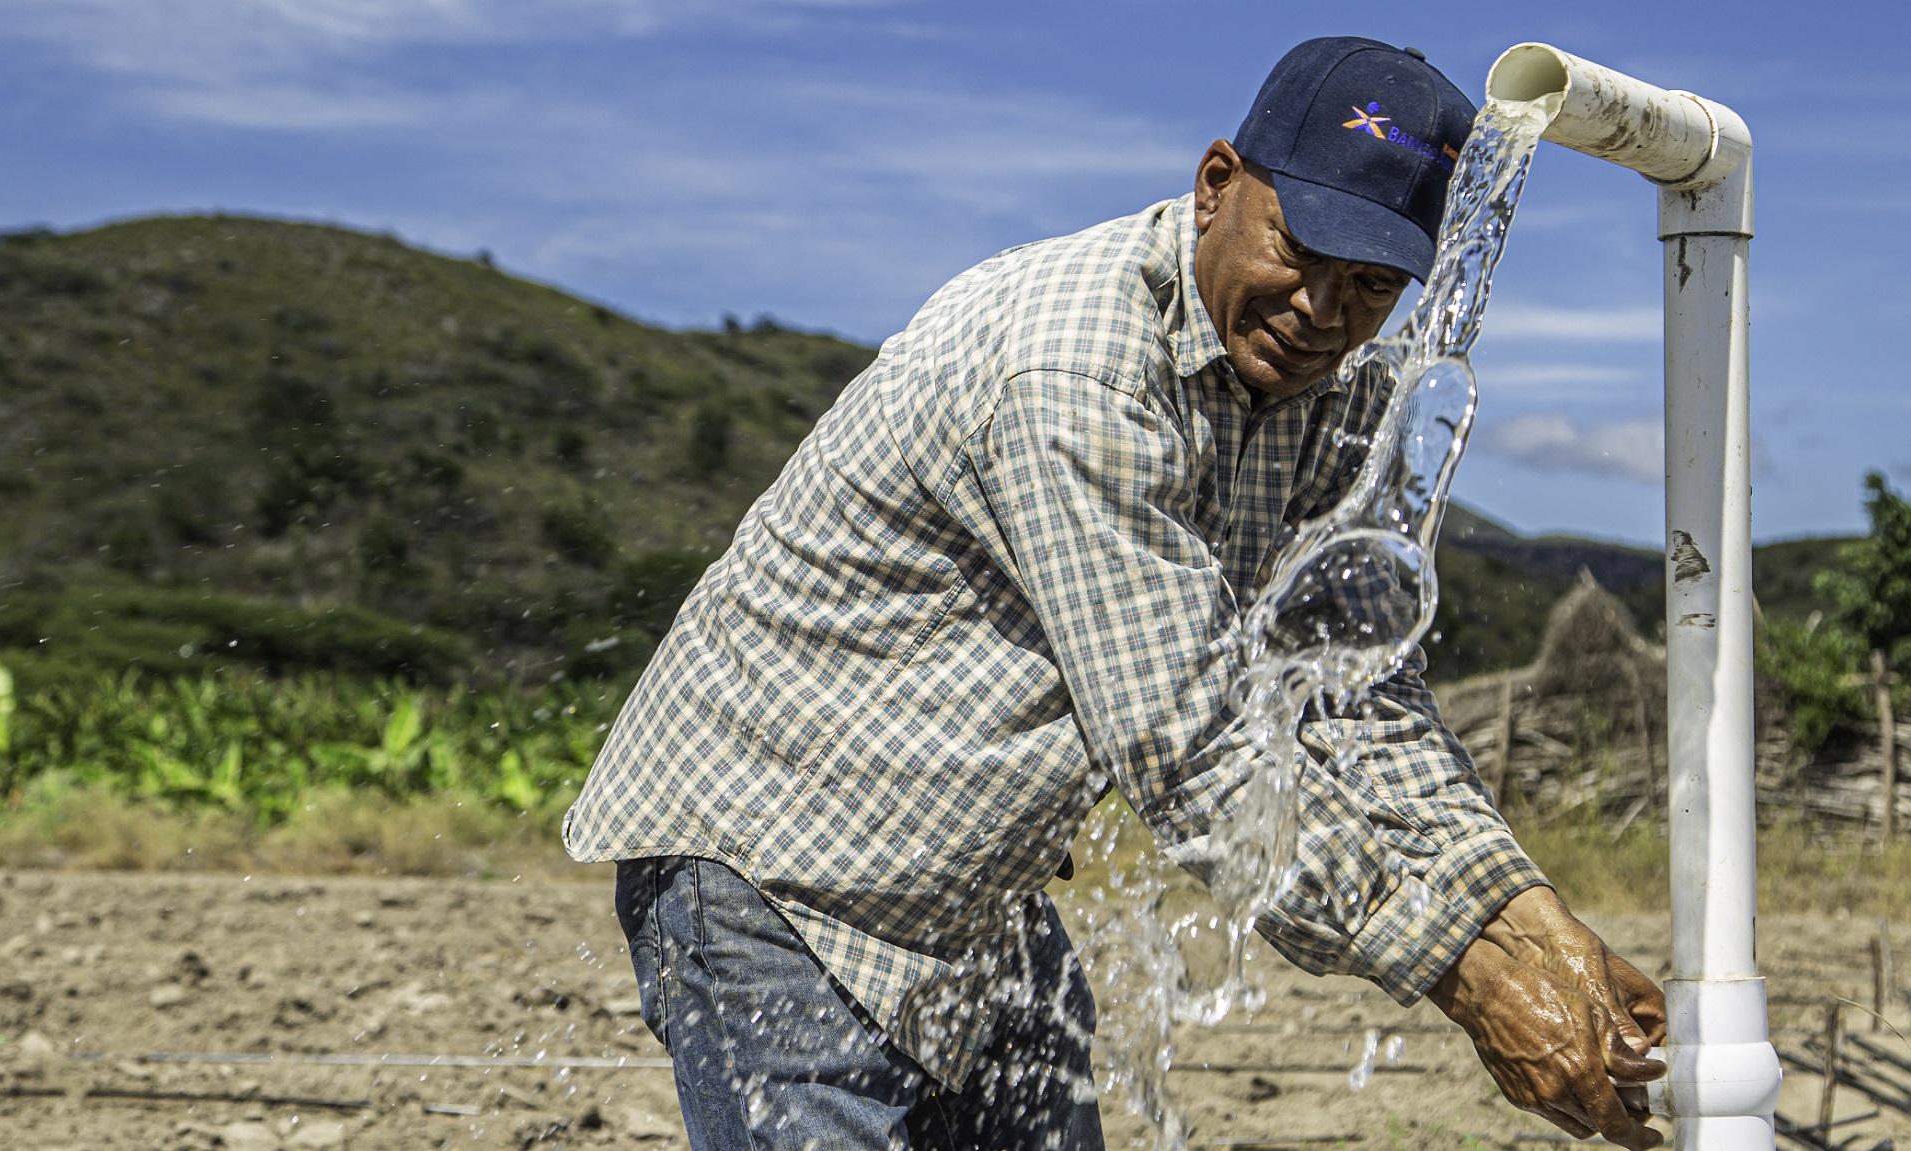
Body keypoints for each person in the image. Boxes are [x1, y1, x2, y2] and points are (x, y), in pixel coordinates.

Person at [565, 36, 1668, 1151]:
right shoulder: (1073, 367)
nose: (1320, 310)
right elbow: (1188, 745)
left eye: (1372, 285)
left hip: (971, 893)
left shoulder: (1331, 395)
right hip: (773, 872)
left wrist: (1531, 921)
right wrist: (1471, 980)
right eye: (1301, 248)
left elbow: (1354, 690)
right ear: (1215, 186)